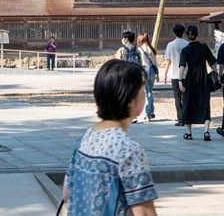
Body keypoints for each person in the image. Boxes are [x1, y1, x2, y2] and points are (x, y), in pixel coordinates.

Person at [62, 59, 158, 216]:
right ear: (129, 99)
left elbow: (66, 193)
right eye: (141, 90)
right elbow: (145, 213)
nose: (144, 94)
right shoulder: (129, 151)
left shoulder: (85, 137)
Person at [178, 24, 216, 141]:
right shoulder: (204, 47)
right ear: (196, 34)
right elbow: (212, 63)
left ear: (187, 36)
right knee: (205, 103)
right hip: (203, 78)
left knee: (188, 103)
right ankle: (206, 131)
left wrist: (180, 81)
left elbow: (182, 67)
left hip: (190, 79)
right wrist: (217, 75)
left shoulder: (185, 50)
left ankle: (189, 133)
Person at [163, 24, 188, 126]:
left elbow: (168, 61)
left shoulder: (170, 45)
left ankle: (180, 119)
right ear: (183, 32)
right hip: (186, 74)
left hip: (174, 74)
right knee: (186, 96)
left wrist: (165, 74)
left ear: (174, 33)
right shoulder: (187, 44)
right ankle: (187, 117)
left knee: (177, 97)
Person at [137, 32, 159, 122]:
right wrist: (158, 74)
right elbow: (155, 62)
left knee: (146, 93)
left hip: (144, 70)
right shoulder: (151, 49)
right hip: (152, 71)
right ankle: (152, 110)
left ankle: (148, 114)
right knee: (150, 92)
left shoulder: (139, 50)